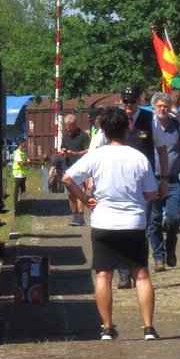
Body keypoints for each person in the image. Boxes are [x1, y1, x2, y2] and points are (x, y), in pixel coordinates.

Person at [62, 105, 161, 341]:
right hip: (133, 223)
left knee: (103, 275)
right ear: (127, 129)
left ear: (103, 131)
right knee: (141, 275)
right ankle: (148, 328)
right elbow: (151, 193)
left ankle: (107, 327)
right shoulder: (138, 157)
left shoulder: (95, 156)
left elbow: (67, 178)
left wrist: (85, 199)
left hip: (103, 222)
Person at [92, 85, 168, 289]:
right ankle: (124, 273)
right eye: (125, 101)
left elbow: (161, 148)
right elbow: (96, 147)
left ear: (138, 101)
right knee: (118, 226)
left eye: (132, 101)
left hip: (143, 181)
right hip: (116, 181)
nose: (128, 105)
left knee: (140, 225)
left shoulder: (150, 119)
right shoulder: (113, 119)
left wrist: (164, 178)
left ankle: (137, 268)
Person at [148, 91, 180, 272]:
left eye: (165, 106)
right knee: (154, 221)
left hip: (174, 179)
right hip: (152, 180)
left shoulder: (177, 126)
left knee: (174, 218)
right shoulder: (149, 127)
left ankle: (171, 245)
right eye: (159, 106)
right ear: (153, 108)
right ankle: (159, 257)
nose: (162, 109)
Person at [50, 114, 91, 226]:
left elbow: (88, 150)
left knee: (79, 191)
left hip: (80, 166)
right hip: (68, 166)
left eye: (70, 126)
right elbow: (62, 148)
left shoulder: (83, 136)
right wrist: (63, 152)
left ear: (75, 124)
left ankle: (81, 217)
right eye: (66, 126)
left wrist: (76, 153)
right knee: (70, 193)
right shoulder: (65, 136)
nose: (68, 128)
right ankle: (74, 216)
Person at [11, 137, 31, 209]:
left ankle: (23, 204)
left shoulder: (23, 153)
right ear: (21, 143)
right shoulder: (17, 153)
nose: (25, 144)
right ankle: (15, 205)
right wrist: (26, 162)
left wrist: (26, 162)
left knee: (23, 190)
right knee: (17, 189)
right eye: (24, 143)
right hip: (18, 174)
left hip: (23, 174)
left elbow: (28, 162)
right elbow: (21, 163)